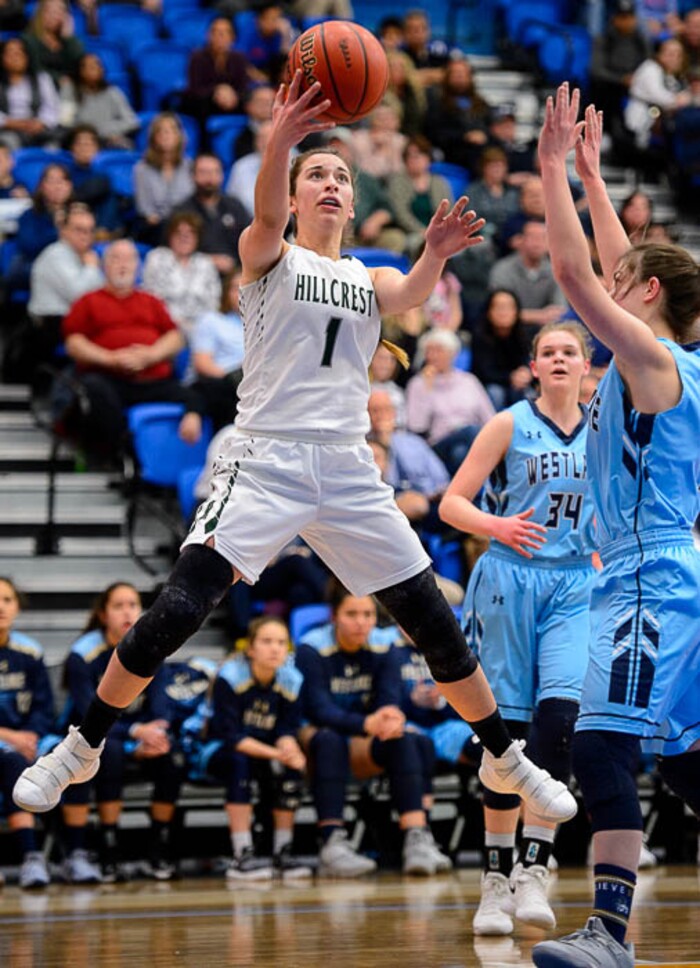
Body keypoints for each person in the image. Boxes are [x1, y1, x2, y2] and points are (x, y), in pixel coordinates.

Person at [13, 72, 578, 847]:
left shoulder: (365, 276)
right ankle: (80, 747)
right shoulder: (267, 254)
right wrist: (281, 138)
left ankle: (506, 758)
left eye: (341, 176)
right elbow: (270, 208)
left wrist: (438, 252)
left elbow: (409, 291)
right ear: (297, 189)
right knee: (176, 612)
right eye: (319, 173)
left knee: (433, 622)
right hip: (266, 459)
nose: (332, 184)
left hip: (347, 466)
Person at [531, 83, 700, 968]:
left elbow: (573, 276)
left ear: (651, 295)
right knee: (685, 766)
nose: (612, 280)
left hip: (647, 577)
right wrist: (596, 178)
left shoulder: (652, 358)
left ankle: (609, 936)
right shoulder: (676, 358)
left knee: (599, 747)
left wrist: (552, 170)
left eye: (627, 281)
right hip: (668, 574)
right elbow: (617, 261)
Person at [440, 320, 597, 936]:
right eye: (548, 352)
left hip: (575, 585)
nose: (559, 359)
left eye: (570, 351)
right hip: (509, 578)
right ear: (534, 366)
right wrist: (496, 526)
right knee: (508, 737)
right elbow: (453, 502)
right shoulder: (508, 423)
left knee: (560, 720)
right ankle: (494, 882)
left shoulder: (606, 428)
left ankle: (535, 868)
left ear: (586, 366)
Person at [296, 580, 451, 876]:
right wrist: (366, 722)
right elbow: (318, 709)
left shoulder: (383, 645)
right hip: (317, 734)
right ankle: (332, 843)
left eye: (367, 614)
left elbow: (389, 696)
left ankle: (416, 838)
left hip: (364, 736)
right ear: (334, 617)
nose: (361, 622)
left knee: (404, 738)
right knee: (329, 739)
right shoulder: (311, 648)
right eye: (351, 614)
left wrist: (390, 716)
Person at [59, 582, 186, 882]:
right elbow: (86, 713)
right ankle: (109, 850)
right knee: (110, 753)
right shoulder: (83, 655)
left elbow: (162, 708)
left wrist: (153, 735)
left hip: (138, 736)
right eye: (119, 606)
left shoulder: (152, 645)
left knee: (173, 757)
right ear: (103, 615)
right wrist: (135, 734)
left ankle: (157, 849)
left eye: (133, 604)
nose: (128, 611)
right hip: (91, 733)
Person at [187, 616, 312, 880]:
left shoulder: (292, 678)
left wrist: (291, 750)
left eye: (281, 643)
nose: (275, 648)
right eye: (267, 641)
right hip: (211, 748)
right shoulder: (230, 677)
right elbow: (231, 737)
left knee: (290, 769)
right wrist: (278, 753)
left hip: (264, 750)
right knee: (239, 763)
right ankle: (242, 855)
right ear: (251, 648)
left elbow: (286, 730)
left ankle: (282, 852)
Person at [58, 238, 205, 458]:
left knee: (202, 392)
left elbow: (175, 338)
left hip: (153, 381)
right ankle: (120, 454)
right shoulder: (88, 301)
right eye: (115, 258)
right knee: (92, 389)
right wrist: (111, 358)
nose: (122, 264)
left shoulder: (151, 301)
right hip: (109, 380)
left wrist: (150, 355)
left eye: (129, 259)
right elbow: (74, 344)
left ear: (138, 265)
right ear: (104, 265)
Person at [0, 577, 54, 889]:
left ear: (18, 607)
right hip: (9, 745)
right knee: (11, 762)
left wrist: (31, 736)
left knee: (67, 760)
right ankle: (30, 854)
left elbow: (44, 706)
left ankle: (75, 851)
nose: (1, 606)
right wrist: (11, 738)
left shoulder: (29, 652)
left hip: (26, 741)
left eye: (7, 599)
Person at [27, 201, 103, 362]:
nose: (85, 236)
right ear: (64, 230)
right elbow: (79, 296)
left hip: (71, 321)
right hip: (50, 325)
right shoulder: (56, 254)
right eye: (79, 230)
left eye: (90, 231)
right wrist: (91, 268)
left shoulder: (84, 256)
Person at [142, 211, 221, 341]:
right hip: (166, 327)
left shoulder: (206, 263)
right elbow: (150, 297)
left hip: (201, 329)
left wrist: (201, 327)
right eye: (179, 233)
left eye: (190, 233)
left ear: (197, 238)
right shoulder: (157, 257)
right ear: (170, 236)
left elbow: (214, 302)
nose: (184, 237)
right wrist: (175, 322)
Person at [175, 152, 251, 276]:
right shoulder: (182, 211)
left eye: (215, 172)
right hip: (195, 275)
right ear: (193, 176)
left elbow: (250, 240)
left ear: (222, 175)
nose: (209, 178)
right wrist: (208, 261)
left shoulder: (235, 206)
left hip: (236, 275)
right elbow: (175, 250)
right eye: (203, 172)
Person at [191, 267, 245, 431]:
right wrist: (236, 381)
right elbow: (202, 363)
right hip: (225, 383)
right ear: (226, 292)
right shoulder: (212, 320)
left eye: (247, 286)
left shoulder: (266, 324)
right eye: (236, 287)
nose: (241, 292)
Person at [180, 16, 250, 133]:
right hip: (205, 106)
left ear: (232, 37)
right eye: (215, 32)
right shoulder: (197, 58)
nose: (219, 37)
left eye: (224, 33)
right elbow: (194, 89)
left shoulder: (239, 59)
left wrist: (231, 95)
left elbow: (244, 88)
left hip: (233, 104)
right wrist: (216, 91)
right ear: (208, 35)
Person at [134, 112, 194, 246]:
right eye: (161, 131)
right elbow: (146, 211)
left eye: (171, 130)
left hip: (187, 226)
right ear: (153, 138)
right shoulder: (142, 169)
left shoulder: (190, 167)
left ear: (179, 136)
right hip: (156, 228)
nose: (166, 135)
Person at [470, 289, 532, 410]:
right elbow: (485, 373)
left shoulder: (526, 334)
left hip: (517, 385)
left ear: (517, 311)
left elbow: (529, 361)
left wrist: (526, 373)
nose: (504, 312)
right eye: (499, 307)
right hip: (489, 385)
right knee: (495, 392)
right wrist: (511, 377)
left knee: (528, 393)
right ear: (489, 311)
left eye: (509, 307)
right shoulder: (479, 336)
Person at [0, 36, 61, 149]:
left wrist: (41, 123)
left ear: (27, 57)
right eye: (10, 53)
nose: (16, 57)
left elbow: (52, 108)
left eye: (20, 53)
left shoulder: (42, 79)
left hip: (37, 128)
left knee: (54, 144)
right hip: (6, 130)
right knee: (9, 142)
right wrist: (11, 123)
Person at [72, 53, 139, 149]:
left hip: (109, 139)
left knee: (125, 146)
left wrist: (110, 130)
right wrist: (90, 133)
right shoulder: (70, 91)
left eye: (98, 65)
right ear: (81, 71)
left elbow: (132, 122)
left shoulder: (113, 92)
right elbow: (66, 122)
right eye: (90, 66)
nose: (95, 68)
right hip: (81, 140)